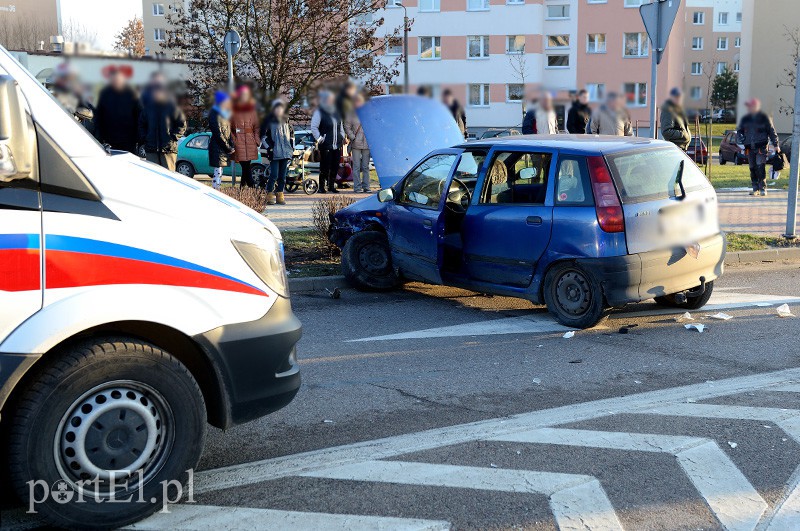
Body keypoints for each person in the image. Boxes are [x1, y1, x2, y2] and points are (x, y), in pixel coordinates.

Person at [138, 79, 186, 171]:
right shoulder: (147, 109)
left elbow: (182, 124)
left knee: (169, 177)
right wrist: (145, 138)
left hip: (168, 150)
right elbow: (141, 125)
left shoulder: (173, 108)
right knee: (153, 177)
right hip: (151, 149)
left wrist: (172, 137)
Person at [737, 97, 780, 197]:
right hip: (749, 148)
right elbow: (739, 131)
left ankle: (762, 189)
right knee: (752, 168)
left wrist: (776, 145)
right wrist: (741, 138)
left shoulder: (764, 118)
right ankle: (755, 188)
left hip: (761, 148)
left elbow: (772, 132)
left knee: (760, 168)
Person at [93, 66, 140, 153]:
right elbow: (99, 117)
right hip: (109, 140)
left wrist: (137, 138)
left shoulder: (132, 94)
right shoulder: (105, 94)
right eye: (114, 79)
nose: (116, 81)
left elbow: (139, 116)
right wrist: (100, 137)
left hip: (128, 140)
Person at [310, 90, 345, 194]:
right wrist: (320, 139)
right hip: (326, 145)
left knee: (335, 166)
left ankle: (331, 186)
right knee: (325, 167)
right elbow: (314, 127)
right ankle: (321, 187)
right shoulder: (319, 112)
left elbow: (341, 127)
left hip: (337, 144)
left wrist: (342, 137)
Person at [261, 99, 295, 205]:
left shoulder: (287, 122)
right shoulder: (269, 122)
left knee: (282, 175)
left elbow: (292, 136)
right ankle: (269, 193)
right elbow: (263, 136)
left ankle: (280, 193)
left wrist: (291, 149)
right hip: (274, 152)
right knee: (274, 175)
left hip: (285, 153)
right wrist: (269, 148)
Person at [231, 85, 261, 187]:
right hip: (239, 141)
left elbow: (257, 126)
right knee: (246, 166)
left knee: (246, 167)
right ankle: (252, 187)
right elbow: (229, 128)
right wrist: (234, 140)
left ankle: (242, 190)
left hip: (250, 142)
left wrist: (256, 139)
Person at [208, 90, 235, 190]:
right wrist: (228, 147)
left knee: (219, 172)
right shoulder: (215, 114)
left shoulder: (224, 114)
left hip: (222, 148)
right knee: (217, 172)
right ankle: (216, 192)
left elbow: (228, 132)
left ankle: (217, 190)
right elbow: (218, 133)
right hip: (218, 148)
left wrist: (231, 144)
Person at [345, 93, 371, 193]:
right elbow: (347, 126)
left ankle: (366, 186)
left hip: (367, 143)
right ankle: (357, 187)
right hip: (356, 143)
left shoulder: (368, 113)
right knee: (356, 166)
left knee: (365, 166)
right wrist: (352, 137)